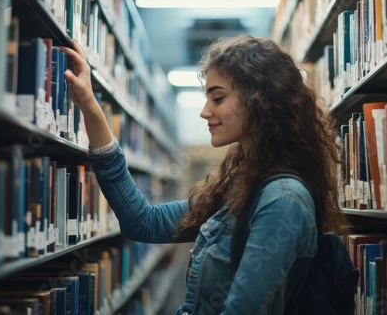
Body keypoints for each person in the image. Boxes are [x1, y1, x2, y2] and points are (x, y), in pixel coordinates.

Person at [61, 34, 350, 314]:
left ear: (260, 100)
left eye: (218, 98)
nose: (204, 111)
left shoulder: (282, 199)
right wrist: (89, 105)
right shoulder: (238, 187)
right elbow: (143, 222)